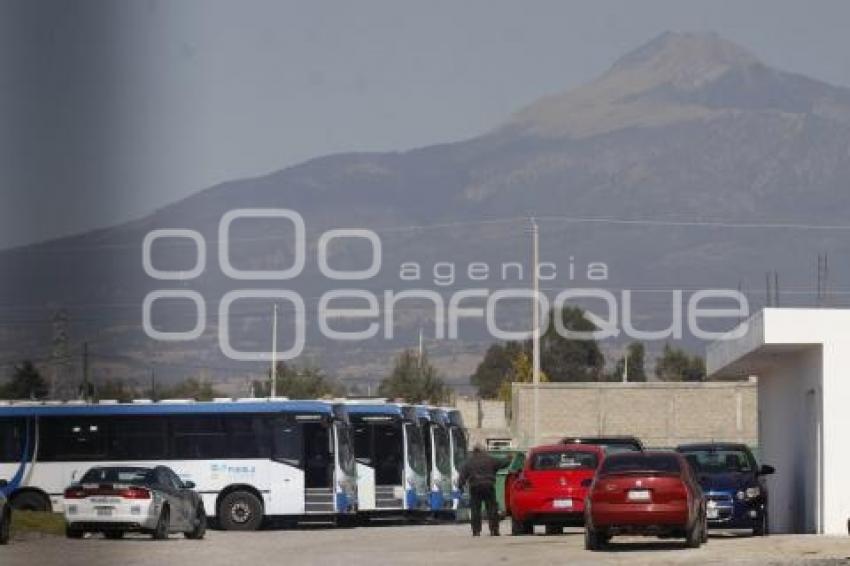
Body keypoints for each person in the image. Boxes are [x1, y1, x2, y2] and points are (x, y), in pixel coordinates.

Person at [458, 444, 502, 537]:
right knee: (492, 508)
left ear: (474, 451)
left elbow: (462, 476)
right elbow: (502, 463)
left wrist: (460, 486)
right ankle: (494, 530)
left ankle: (476, 531)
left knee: (475, 509)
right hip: (488, 486)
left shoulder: (469, 462)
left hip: (475, 487)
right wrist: (509, 459)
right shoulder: (490, 459)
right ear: (483, 450)